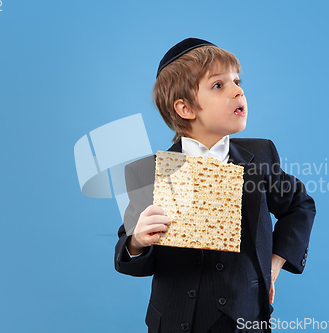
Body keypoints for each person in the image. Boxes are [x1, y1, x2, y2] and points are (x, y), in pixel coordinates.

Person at [114, 38, 316, 333]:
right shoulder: (149, 172)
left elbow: (300, 205)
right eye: (219, 85)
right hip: (174, 322)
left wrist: (275, 263)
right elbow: (131, 259)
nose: (238, 90)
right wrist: (137, 242)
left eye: (237, 80)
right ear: (185, 108)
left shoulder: (260, 156)